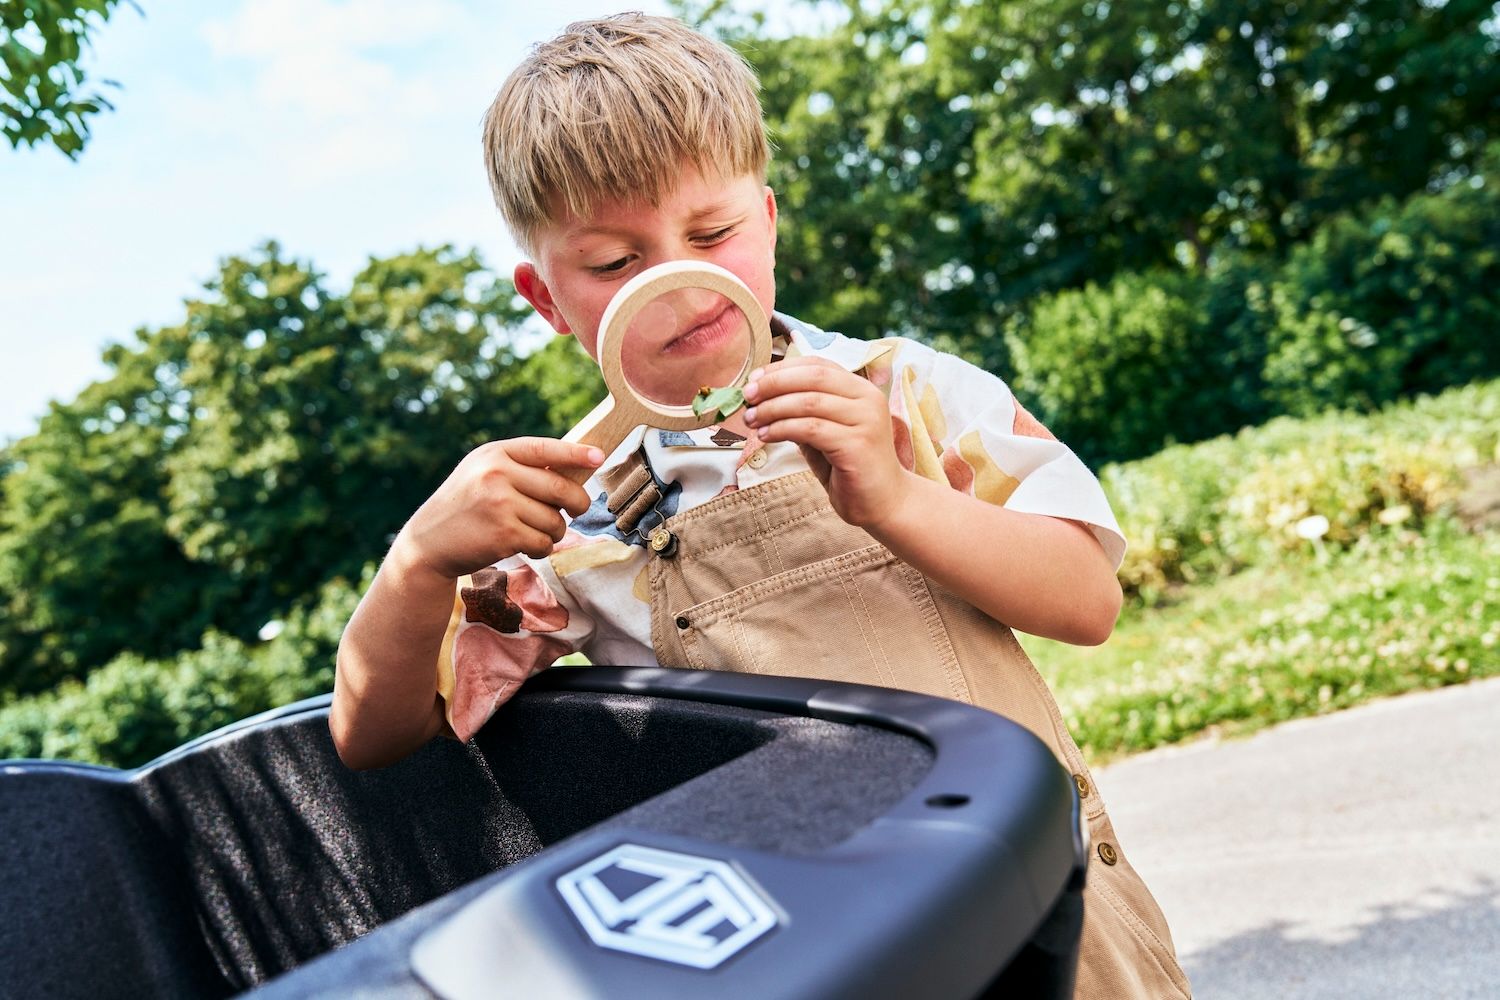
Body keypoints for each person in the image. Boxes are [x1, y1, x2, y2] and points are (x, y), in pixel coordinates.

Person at [332, 13, 1190, 999]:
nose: (674, 283)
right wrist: (418, 562)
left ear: (770, 218)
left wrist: (901, 498)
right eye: (613, 263)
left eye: (712, 233)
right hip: (798, 966)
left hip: (1037, 919)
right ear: (547, 299)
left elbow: (1088, 598)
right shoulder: (574, 511)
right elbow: (373, 733)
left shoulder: (905, 392)